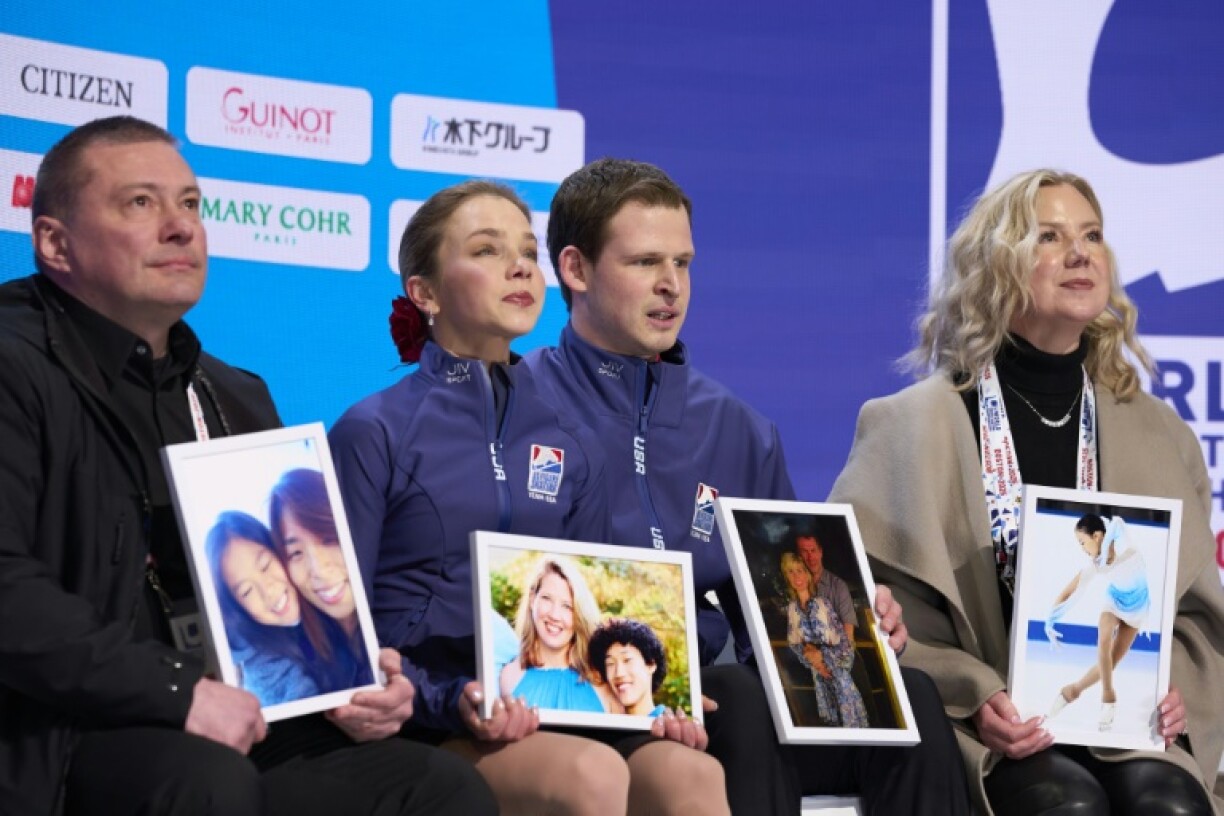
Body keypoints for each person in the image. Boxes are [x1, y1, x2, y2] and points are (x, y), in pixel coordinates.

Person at [0, 115, 495, 815]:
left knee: (439, 787)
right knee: (206, 783)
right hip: (62, 727)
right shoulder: (14, 364)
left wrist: (348, 676)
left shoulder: (234, 392)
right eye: (141, 203)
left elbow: (288, 595)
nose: (181, 227)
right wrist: (178, 692)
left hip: (239, 713)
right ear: (55, 242)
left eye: (192, 205)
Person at [527, 157, 971, 814]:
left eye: (682, 263)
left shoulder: (737, 428)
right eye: (645, 262)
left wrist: (849, 618)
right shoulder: (518, 410)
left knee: (911, 700)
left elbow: (777, 603)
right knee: (737, 696)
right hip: (598, 693)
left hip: (720, 698)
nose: (671, 286)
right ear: (575, 269)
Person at [829, 168, 1223, 815]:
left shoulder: (1161, 434)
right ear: (997, 265)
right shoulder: (910, 426)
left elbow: (1199, 621)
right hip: (984, 725)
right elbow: (873, 614)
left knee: (1172, 804)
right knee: (1066, 804)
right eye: (1049, 237)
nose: (1080, 253)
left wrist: (1172, 686)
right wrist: (974, 695)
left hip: (1125, 723)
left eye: (1092, 236)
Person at [330, 178, 729, 815]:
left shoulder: (568, 439)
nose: (519, 265)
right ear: (423, 292)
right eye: (487, 251)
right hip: (429, 717)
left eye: (526, 252)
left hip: (551, 706)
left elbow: (595, 601)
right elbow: (339, 627)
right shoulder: (372, 430)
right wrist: (446, 696)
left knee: (690, 774)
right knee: (590, 775)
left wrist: (656, 701)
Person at [206, 511, 359, 706]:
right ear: (238, 609)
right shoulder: (265, 670)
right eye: (247, 591)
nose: (267, 591)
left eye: (265, 565)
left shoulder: (320, 594)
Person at [268, 467, 373, 688]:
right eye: (296, 553)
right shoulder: (296, 662)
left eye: (328, 539)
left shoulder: (410, 621)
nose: (319, 570)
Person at [1046, 514, 1150, 731]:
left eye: (1083, 542)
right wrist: (1049, 619)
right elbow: (1070, 589)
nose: (1082, 548)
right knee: (1103, 639)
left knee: (1112, 661)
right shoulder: (1096, 564)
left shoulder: (1125, 547)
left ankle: (1073, 690)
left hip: (1138, 608)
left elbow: (1119, 522)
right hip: (1113, 601)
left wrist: (1107, 541)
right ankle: (1108, 697)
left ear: (1097, 535)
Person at [499, 557, 619, 712]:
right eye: (547, 599)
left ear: (579, 614)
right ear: (532, 600)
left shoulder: (604, 682)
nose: (555, 615)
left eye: (567, 606)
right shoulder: (508, 677)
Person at [780, 553, 869, 728]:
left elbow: (845, 646)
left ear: (808, 574)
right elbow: (795, 644)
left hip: (839, 673)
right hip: (819, 675)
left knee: (851, 723)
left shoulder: (822, 604)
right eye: (791, 572)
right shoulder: (792, 609)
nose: (797, 576)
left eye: (800, 570)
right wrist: (814, 662)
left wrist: (824, 659)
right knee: (830, 724)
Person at [588, 618, 670, 717]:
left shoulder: (669, 727)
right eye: (610, 663)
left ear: (651, 664)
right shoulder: (606, 726)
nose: (619, 673)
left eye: (627, 660)